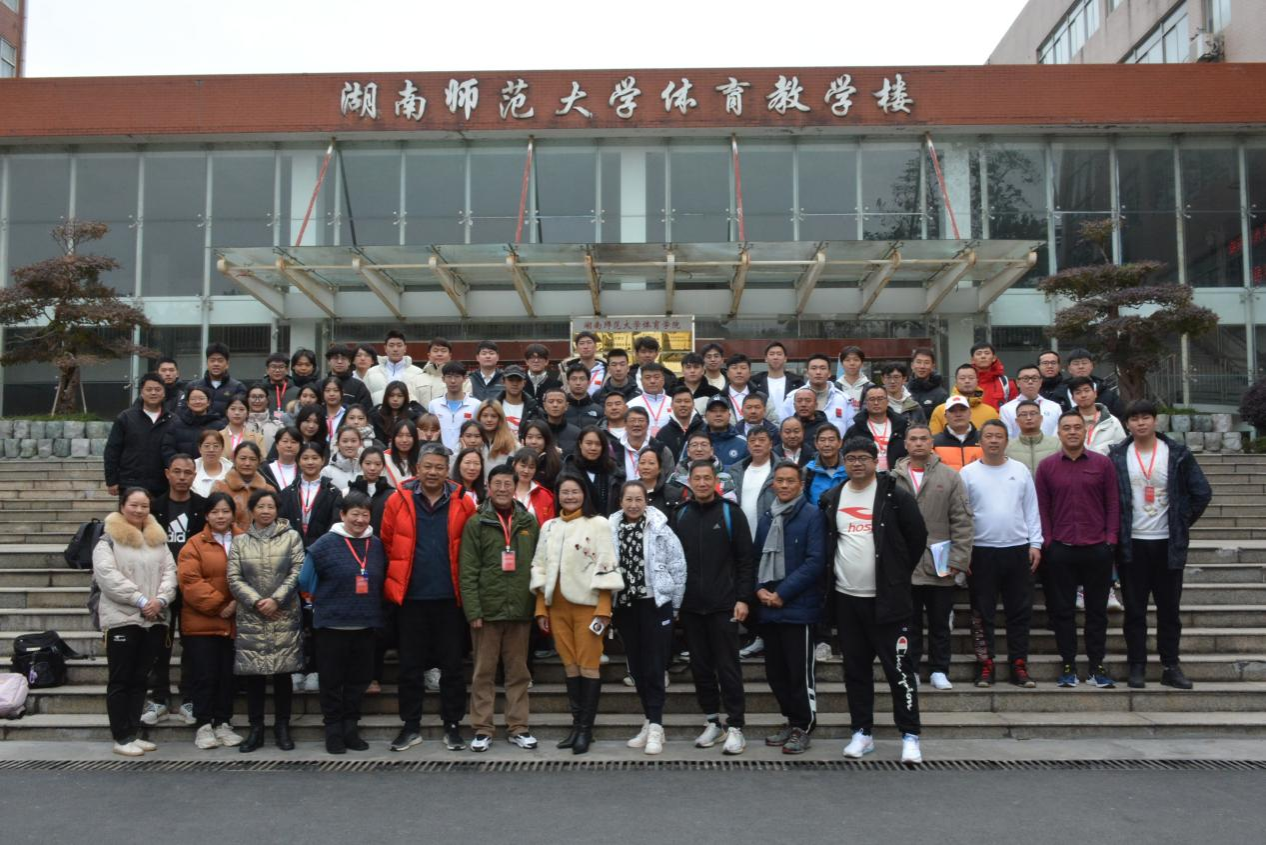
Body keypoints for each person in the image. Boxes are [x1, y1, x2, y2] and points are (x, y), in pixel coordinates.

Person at [822, 437, 928, 764]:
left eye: (863, 458)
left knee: (899, 670)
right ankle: (862, 732)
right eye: (851, 458)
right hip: (847, 600)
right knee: (855, 671)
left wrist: (895, 575)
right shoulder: (833, 497)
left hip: (888, 603)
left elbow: (917, 537)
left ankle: (910, 735)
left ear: (875, 460)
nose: (857, 464)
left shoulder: (895, 495)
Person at [1108, 400, 1213, 690]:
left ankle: (1171, 666)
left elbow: (1202, 492)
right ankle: (1137, 665)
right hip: (1132, 544)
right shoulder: (1117, 455)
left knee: (1169, 611)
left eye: (1146, 417)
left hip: (1167, 544)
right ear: (1127, 424)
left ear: (1155, 421)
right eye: (1134, 419)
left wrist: (1181, 522)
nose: (1140, 423)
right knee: (1135, 611)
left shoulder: (1177, 453)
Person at [381, 442, 478, 753]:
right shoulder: (398, 499)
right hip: (411, 597)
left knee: (452, 666)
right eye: (428, 466)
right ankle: (411, 726)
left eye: (439, 467)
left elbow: (472, 545)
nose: (433, 472)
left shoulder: (463, 501)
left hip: (450, 597)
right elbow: (387, 542)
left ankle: (453, 725)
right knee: (410, 666)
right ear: (417, 469)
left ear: (447, 470)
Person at [531, 474, 623, 754]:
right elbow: (539, 565)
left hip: (588, 607)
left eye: (575, 491)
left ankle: (586, 729)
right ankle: (576, 726)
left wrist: (604, 609)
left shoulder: (599, 524)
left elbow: (607, 565)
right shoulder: (549, 526)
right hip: (556, 607)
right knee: (569, 666)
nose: (569, 496)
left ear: (585, 493)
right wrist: (540, 607)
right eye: (564, 492)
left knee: (588, 666)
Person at [674, 460, 755, 755]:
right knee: (700, 667)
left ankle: (736, 726)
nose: (702, 483)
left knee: (728, 667)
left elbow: (746, 560)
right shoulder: (681, 514)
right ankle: (712, 721)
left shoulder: (731, 513)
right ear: (690, 482)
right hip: (691, 607)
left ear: (716, 481)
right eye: (697, 478)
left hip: (724, 605)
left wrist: (743, 598)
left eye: (707, 478)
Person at [1035, 411, 1121, 688]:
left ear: (1085, 432)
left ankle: (1096, 666)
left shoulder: (1102, 464)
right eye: (1066, 428)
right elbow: (1042, 508)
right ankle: (1068, 664)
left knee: (1097, 612)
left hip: (1097, 548)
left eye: (1077, 427)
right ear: (1059, 433)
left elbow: (1113, 504)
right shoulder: (1047, 467)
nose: (1072, 432)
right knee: (1062, 612)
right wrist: (1048, 542)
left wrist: (1110, 540)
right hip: (1061, 549)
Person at [459, 465, 542, 752]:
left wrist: (536, 606)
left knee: (518, 673)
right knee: (483, 672)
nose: (503, 489)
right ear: (488, 487)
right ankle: (483, 728)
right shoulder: (476, 522)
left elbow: (538, 565)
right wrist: (473, 611)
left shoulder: (528, 522)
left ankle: (518, 726)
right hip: (487, 611)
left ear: (515, 487)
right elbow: (468, 570)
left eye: (508, 484)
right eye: (497, 484)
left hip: (520, 609)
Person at [296, 491, 386, 754]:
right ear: (343, 514)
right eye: (354, 514)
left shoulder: (376, 544)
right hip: (332, 626)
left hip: (365, 625)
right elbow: (305, 580)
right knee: (332, 682)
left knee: (358, 681)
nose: (360, 520)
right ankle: (333, 730)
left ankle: (350, 728)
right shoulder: (325, 543)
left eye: (365, 514)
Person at [93, 487, 178, 757]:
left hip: (154, 619)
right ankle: (121, 736)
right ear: (122, 506)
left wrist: (160, 600)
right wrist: (141, 600)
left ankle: (133, 731)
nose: (139, 510)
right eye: (134, 505)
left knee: (141, 678)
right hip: (122, 619)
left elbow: (170, 572)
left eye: (144, 506)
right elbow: (108, 577)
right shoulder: (108, 540)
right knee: (121, 679)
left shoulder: (158, 540)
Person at [959, 420, 1044, 688]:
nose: (994, 440)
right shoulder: (967, 473)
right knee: (981, 613)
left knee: (1019, 611)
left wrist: (1035, 544)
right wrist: (964, 551)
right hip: (981, 551)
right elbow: (961, 515)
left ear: (1007, 441)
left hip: (1017, 549)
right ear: (980, 441)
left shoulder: (1020, 470)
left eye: (999, 436)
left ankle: (1018, 664)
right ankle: (985, 665)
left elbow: (1031, 509)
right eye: (989, 436)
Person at [891, 424, 973, 691]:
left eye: (923, 439)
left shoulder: (949, 476)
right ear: (905, 444)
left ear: (931, 443)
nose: (918, 443)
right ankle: (912, 669)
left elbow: (962, 521)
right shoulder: (892, 478)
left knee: (940, 621)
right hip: (905, 564)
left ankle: (939, 669)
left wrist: (958, 559)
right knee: (909, 623)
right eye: (913, 439)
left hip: (940, 562)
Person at [753, 461, 827, 755]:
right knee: (776, 673)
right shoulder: (766, 518)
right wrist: (758, 589)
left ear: (800, 485)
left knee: (799, 673)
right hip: (769, 608)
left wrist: (782, 593)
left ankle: (803, 726)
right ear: (773, 484)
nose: (784, 485)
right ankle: (790, 719)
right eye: (779, 480)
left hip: (798, 608)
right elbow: (756, 558)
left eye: (790, 481)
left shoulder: (812, 515)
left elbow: (815, 561)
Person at [610, 479, 687, 756]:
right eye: (628, 499)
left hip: (655, 603)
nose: (633, 505)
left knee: (655, 666)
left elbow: (678, 566)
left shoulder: (660, 529)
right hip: (625, 606)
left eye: (638, 499)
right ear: (620, 501)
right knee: (637, 669)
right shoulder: (609, 529)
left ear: (646, 502)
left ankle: (657, 724)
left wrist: (674, 605)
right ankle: (649, 719)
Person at [227, 488, 306, 753]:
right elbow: (234, 577)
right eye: (260, 506)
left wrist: (276, 600)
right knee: (254, 676)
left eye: (270, 506)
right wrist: (257, 602)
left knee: (283, 674)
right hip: (252, 615)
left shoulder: (291, 537)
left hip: (284, 613)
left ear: (277, 510)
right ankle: (256, 729)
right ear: (252, 510)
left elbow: (298, 570)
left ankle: (282, 727)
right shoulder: (240, 541)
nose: (265, 511)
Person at [178, 492, 244, 750]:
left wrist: (238, 603)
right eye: (215, 511)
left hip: (235, 621)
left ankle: (223, 722)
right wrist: (220, 605)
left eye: (225, 511)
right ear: (206, 515)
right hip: (202, 623)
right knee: (204, 675)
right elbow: (190, 581)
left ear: (233, 514)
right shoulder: (194, 544)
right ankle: (204, 725)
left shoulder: (244, 540)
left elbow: (255, 575)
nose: (220, 516)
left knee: (227, 676)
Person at [145, 455, 206, 726]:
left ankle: (189, 698)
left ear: (194, 475)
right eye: (177, 472)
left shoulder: (203, 506)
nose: (182, 477)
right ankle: (159, 698)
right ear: (167, 473)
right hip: (160, 586)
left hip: (192, 586)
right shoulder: (153, 508)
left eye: (188, 472)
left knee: (192, 645)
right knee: (159, 644)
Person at [105, 372, 174, 497]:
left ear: (164, 393)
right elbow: (112, 451)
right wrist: (111, 480)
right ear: (141, 392)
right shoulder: (126, 418)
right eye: (149, 389)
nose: (153, 393)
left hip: (163, 485)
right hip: (130, 483)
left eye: (157, 389)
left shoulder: (173, 420)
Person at [278, 441, 343, 547]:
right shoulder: (287, 493)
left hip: (321, 550)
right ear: (298, 461)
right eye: (305, 458)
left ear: (323, 460)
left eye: (315, 458)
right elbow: (281, 523)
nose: (310, 462)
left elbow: (335, 525)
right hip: (291, 549)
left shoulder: (333, 493)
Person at [843, 385, 909, 474]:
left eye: (880, 399)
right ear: (866, 403)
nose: (876, 403)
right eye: (872, 399)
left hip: (898, 475)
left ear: (887, 401)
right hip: (866, 476)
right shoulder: (855, 430)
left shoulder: (901, 426)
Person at [212, 442, 275, 532]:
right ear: (234, 460)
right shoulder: (220, 487)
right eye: (243, 458)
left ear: (259, 462)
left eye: (253, 459)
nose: (247, 463)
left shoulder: (268, 490)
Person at [664, 432, 739, 506]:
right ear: (688, 451)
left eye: (704, 445)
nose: (699, 449)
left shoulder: (724, 477)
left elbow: (730, 506)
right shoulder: (675, 478)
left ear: (711, 450)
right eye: (694, 445)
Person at [562, 427, 621, 515]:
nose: (593, 448)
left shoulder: (613, 471)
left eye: (598, 444)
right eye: (589, 443)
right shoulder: (568, 470)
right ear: (580, 444)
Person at [162, 385, 225, 467]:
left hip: (210, 470)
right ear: (187, 403)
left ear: (208, 402)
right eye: (193, 399)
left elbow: (224, 451)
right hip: (183, 471)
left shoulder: (219, 426)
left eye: (201, 398)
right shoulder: (176, 425)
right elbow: (168, 449)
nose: (197, 402)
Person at [731, 427, 777, 540]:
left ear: (770, 444)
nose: (757, 444)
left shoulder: (780, 469)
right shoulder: (736, 470)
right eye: (752, 441)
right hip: (741, 535)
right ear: (747, 446)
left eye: (762, 440)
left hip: (771, 534)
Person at [928, 364, 1000, 434]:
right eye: (962, 378)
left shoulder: (991, 412)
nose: (967, 381)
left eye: (971, 378)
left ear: (977, 380)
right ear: (956, 381)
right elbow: (934, 439)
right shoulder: (941, 410)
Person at [781, 353, 850, 425]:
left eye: (822, 368)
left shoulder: (843, 400)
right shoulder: (792, 398)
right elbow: (784, 426)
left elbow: (850, 428)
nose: (818, 372)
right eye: (814, 368)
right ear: (806, 373)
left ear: (829, 373)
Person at [364, 330, 427, 405]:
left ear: (405, 348)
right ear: (385, 348)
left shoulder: (418, 373)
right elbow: (365, 400)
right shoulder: (371, 373)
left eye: (399, 345)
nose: (395, 349)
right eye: (391, 345)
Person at [1068, 376, 1127, 455]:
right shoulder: (1066, 423)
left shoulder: (1112, 421)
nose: (1083, 395)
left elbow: (1122, 450)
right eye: (1078, 392)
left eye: (1087, 390)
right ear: (1073, 398)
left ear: (1095, 394)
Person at [428, 361, 481, 450]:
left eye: (457, 376)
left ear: (464, 378)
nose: (453, 381)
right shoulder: (434, 405)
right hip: (440, 454)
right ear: (443, 379)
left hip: (466, 455)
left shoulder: (476, 405)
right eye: (449, 377)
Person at [999, 364, 1062, 437]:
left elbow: (1058, 435)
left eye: (1034, 378)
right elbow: (1007, 437)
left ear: (1040, 382)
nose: (1030, 382)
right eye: (1025, 378)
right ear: (1017, 383)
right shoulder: (1006, 409)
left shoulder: (1054, 407)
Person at [185, 342, 246, 417]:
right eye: (212, 360)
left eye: (220, 361)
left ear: (227, 364)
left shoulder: (238, 387)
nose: (216, 364)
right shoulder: (193, 386)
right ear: (207, 363)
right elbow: (183, 411)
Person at [615, 407, 673, 484]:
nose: (636, 424)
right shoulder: (614, 449)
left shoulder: (661, 449)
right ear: (625, 424)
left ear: (648, 424)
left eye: (641, 420)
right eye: (632, 420)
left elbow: (669, 478)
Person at [1064, 348, 1124, 421]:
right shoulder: (1058, 394)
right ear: (1069, 368)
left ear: (1092, 366)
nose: (1081, 367)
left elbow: (1120, 419)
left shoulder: (1108, 394)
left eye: (1084, 363)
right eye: (1076, 364)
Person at [1005, 399, 1061, 475]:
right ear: (1017, 421)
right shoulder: (1007, 447)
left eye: (1033, 413)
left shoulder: (1057, 445)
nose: (1029, 418)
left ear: (1041, 418)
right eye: (1024, 414)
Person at [750, 341, 804, 416]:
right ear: (766, 358)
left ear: (785, 358)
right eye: (771, 354)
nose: (775, 357)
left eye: (779, 354)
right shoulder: (754, 383)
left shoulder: (797, 383)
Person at [417, 337, 473, 408]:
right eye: (435, 351)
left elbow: (467, 403)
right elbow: (413, 404)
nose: (439, 354)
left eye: (443, 351)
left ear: (450, 355)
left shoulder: (463, 380)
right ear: (429, 355)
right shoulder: (417, 379)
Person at [931, 395, 984, 471]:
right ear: (945, 416)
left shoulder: (984, 439)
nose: (958, 414)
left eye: (962, 410)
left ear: (970, 413)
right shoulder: (935, 443)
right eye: (952, 411)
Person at [348, 447, 393, 532]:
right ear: (361, 464)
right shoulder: (348, 492)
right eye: (368, 463)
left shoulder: (392, 495)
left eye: (377, 464)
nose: (372, 468)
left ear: (383, 466)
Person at [656, 382, 704, 460]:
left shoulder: (704, 428)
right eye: (678, 401)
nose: (683, 405)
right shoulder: (663, 434)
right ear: (671, 405)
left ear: (693, 404)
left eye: (687, 401)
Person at [804, 424, 849, 504]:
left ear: (840, 443)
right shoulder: (808, 471)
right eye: (822, 440)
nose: (827, 444)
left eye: (831, 440)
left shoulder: (850, 468)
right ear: (816, 444)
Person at [627, 362, 672, 437]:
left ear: (663, 379)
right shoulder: (631, 405)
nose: (652, 381)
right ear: (641, 381)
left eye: (656, 377)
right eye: (648, 378)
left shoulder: (674, 403)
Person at [511, 447, 556, 523]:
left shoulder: (545, 496)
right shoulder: (504, 490)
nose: (526, 471)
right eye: (523, 466)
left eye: (531, 467)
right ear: (514, 464)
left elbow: (550, 526)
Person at [702, 398, 750, 469]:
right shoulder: (695, 442)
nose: (718, 414)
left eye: (722, 411)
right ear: (705, 415)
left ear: (729, 415)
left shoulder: (743, 444)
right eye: (713, 411)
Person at [325, 344, 374, 411]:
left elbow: (366, 411)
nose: (339, 362)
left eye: (343, 358)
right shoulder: (320, 385)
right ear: (329, 361)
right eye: (336, 358)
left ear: (349, 362)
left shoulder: (359, 386)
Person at [372, 381, 423, 445]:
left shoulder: (413, 418)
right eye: (391, 395)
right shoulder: (376, 417)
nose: (395, 399)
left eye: (400, 396)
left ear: (405, 398)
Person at [520, 418, 564, 490]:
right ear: (523, 440)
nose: (534, 442)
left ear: (546, 440)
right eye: (529, 437)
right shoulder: (516, 462)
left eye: (539, 437)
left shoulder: (556, 463)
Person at [537, 386, 582, 456]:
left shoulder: (577, 433)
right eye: (551, 402)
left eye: (559, 401)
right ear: (544, 406)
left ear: (566, 406)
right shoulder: (538, 431)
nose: (555, 405)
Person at [907, 348, 949, 422]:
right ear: (912, 365)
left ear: (933, 366)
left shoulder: (941, 394)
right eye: (918, 362)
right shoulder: (903, 390)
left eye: (926, 363)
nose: (922, 366)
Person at [563, 330, 606, 396]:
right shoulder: (566, 370)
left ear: (595, 347)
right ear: (577, 348)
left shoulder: (606, 370)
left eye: (589, 343)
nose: (585, 347)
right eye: (581, 343)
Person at [970, 342, 1011, 410]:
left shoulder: (1005, 382)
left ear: (994, 358)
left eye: (987, 353)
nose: (983, 356)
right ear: (972, 360)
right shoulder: (966, 381)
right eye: (979, 354)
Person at [323, 425, 365, 492]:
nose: (349, 445)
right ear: (337, 444)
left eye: (353, 441)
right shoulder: (327, 471)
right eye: (345, 441)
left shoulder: (367, 469)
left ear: (360, 443)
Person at [835, 345, 874, 415]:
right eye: (847, 360)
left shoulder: (871, 387)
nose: (852, 363)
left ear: (862, 364)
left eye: (856, 360)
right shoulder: (835, 388)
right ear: (841, 364)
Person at [498, 366, 538, 434]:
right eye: (511, 380)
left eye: (518, 380)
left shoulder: (534, 409)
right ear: (503, 382)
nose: (515, 384)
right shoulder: (494, 406)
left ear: (524, 383)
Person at [245, 384, 284, 455]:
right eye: (253, 397)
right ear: (247, 400)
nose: (257, 401)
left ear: (267, 400)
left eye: (261, 397)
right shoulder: (240, 424)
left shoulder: (278, 426)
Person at [192, 429, 231, 498]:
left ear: (222, 449)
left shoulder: (230, 469)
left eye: (216, 446)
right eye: (207, 446)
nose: (211, 450)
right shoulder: (191, 469)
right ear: (200, 449)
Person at [384, 419, 422, 488]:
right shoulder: (384, 458)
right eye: (400, 435)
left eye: (409, 436)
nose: (404, 440)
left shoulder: (422, 459)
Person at [564, 363, 603, 427]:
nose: (578, 383)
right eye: (574, 379)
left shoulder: (599, 410)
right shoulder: (561, 409)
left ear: (588, 382)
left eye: (582, 379)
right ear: (568, 382)